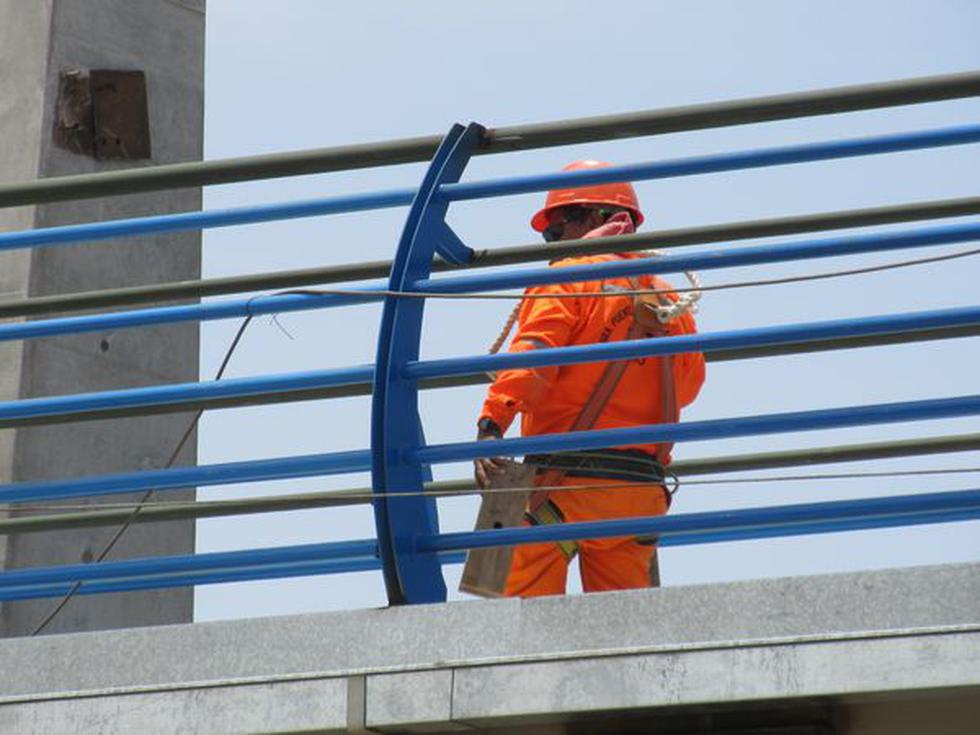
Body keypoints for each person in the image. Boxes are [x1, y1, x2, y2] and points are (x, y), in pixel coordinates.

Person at [473, 160, 706, 598]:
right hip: (640, 497)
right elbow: (689, 387)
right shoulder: (669, 299)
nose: (550, 243)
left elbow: (534, 356)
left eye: (554, 230)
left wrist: (491, 426)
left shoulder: (569, 277)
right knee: (622, 634)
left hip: (563, 489)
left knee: (512, 627)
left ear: (593, 218)